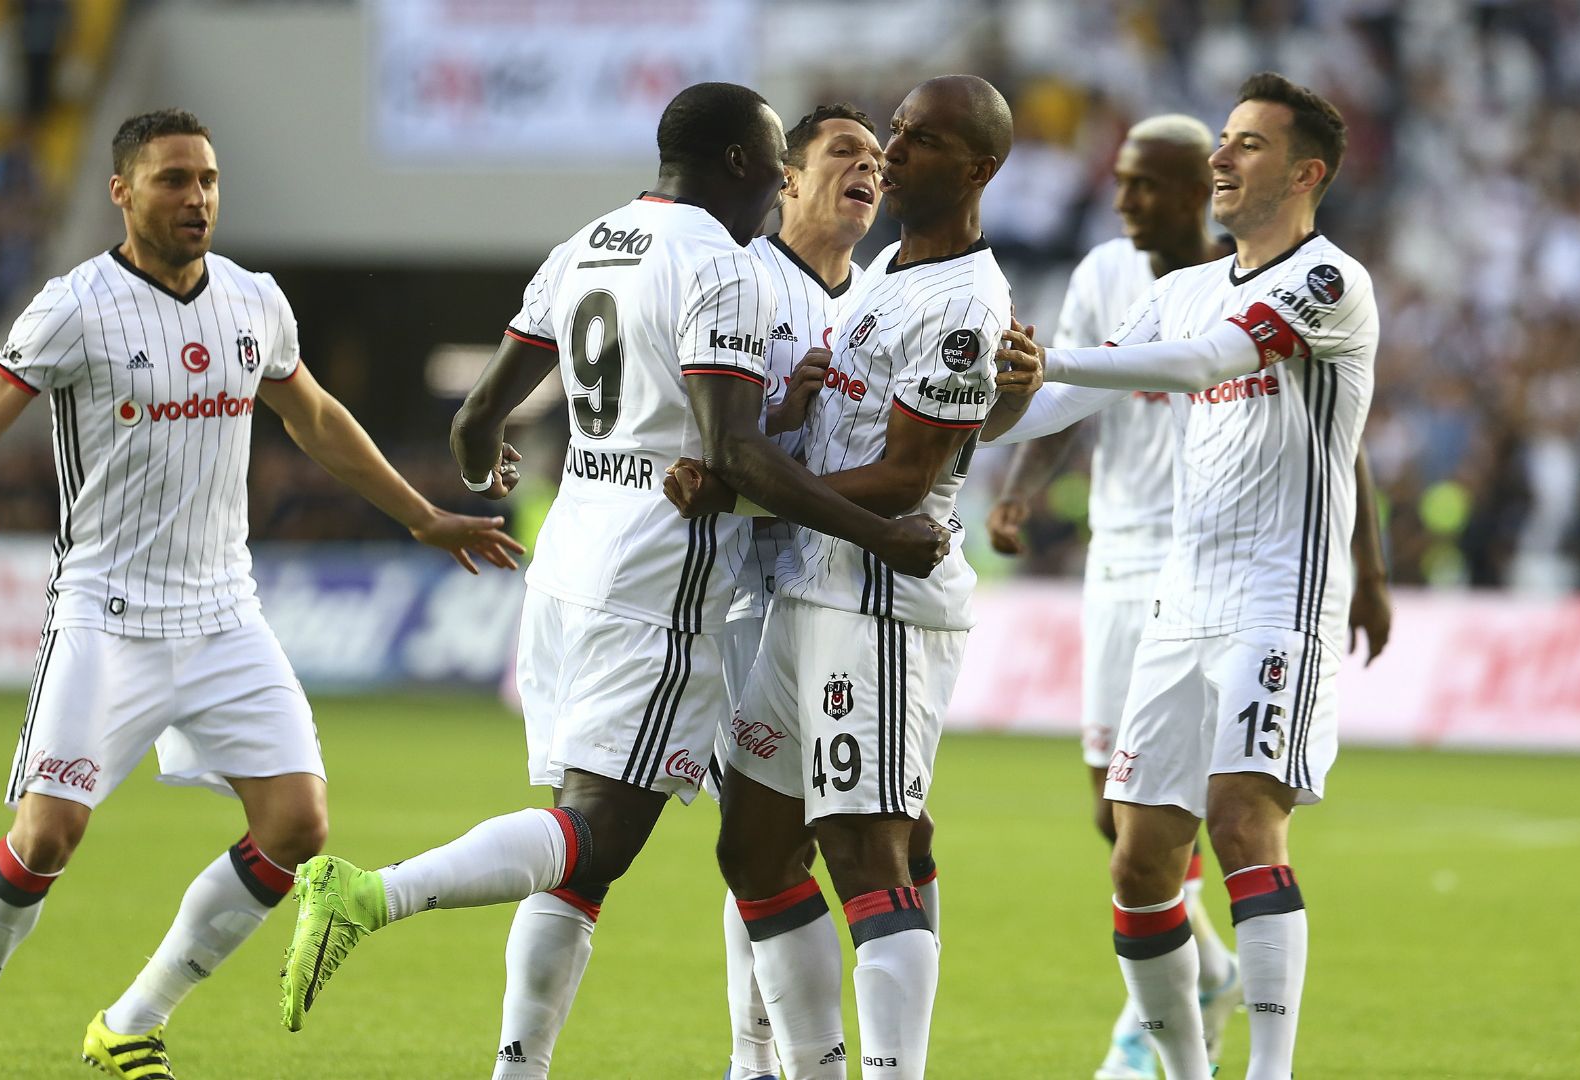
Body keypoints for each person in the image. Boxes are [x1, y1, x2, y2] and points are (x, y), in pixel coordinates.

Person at [277, 82, 950, 1080]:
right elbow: (732, 457)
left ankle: (522, 1067)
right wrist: (881, 532)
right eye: (774, 161)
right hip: (658, 585)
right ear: (739, 163)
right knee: (594, 838)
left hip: (566, 573)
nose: (777, 183)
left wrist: (488, 473)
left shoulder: (585, 244)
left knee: (578, 856)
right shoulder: (722, 265)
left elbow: (475, 424)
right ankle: (373, 894)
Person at [0, 108, 524, 1080]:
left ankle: (132, 1021)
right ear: (121, 192)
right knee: (47, 835)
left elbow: (316, 419)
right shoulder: (74, 308)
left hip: (224, 610)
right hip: (105, 612)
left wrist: (421, 516)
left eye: (208, 180)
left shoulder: (252, 300)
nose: (197, 198)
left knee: (298, 828)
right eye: (173, 180)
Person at [986, 73, 1381, 1080]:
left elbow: (1204, 364)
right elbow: (1054, 411)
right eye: (1223, 139)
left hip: (1278, 597)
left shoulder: (1329, 281)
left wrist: (1053, 362)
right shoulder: (1178, 290)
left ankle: (1270, 1072)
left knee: (1243, 818)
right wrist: (958, 416)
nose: (1221, 156)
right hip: (1180, 596)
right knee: (1138, 858)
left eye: (1248, 143)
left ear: (1306, 174)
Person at [671, 75, 1023, 1080]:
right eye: (894, 131)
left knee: (866, 848)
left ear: (979, 169)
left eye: (921, 140)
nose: (894, 151)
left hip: (878, 606)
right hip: (807, 593)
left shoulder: (964, 301)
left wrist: (746, 491)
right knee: (751, 848)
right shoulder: (886, 277)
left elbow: (909, 476)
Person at [706, 102, 944, 1080]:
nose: (871, 169)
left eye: (879, 158)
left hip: (844, 596)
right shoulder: (742, 280)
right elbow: (708, 444)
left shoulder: (884, 293)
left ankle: (825, 1057)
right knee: (764, 837)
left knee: (891, 831)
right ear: (788, 178)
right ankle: (754, 1057)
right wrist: (777, 416)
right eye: (846, 152)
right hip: (740, 594)